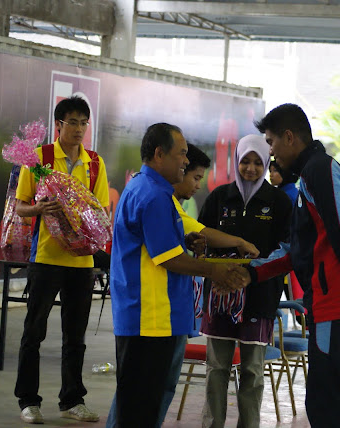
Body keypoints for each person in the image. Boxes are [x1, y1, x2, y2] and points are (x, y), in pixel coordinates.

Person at [237, 104, 340, 428]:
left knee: (328, 406)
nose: (271, 152)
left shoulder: (319, 171)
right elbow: (298, 249)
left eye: (271, 142)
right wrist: (252, 272)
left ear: (289, 137)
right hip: (332, 307)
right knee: (331, 403)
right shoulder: (310, 175)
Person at [104, 142, 259, 428]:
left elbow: (171, 241)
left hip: (164, 314)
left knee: (149, 396)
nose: (185, 163)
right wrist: (216, 270)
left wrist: (188, 242)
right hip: (149, 315)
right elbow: (169, 258)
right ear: (159, 154)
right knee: (138, 398)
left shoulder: (157, 194)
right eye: (182, 156)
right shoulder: (153, 195)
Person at [13, 96, 108, 424]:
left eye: (84, 123)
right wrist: (39, 208)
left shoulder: (94, 163)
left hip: (82, 262)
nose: (79, 129)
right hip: (46, 258)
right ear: (58, 125)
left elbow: (100, 209)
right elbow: (20, 206)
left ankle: (72, 400)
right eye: (73, 122)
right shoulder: (39, 158)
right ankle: (28, 400)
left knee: (75, 336)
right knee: (34, 332)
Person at [198, 134, 292, 428]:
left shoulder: (279, 202)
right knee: (217, 368)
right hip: (220, 295)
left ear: (266, 163)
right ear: (236, 161)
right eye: (245, 162)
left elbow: (286, 250)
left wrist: (250, 275)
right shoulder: (219, 197)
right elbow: (201, 239)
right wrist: (219, 272)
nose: (250, 168)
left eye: (257, 163)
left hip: (260, 296)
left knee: (252, 370)